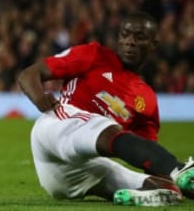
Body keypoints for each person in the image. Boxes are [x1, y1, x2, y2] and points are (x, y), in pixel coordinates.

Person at [17, 10, 194, 206]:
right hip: (56, 130)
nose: (130, 41)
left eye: (139, 37)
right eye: (125, 34)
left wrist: (175, 181)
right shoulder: (94, 55)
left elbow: (146, 154)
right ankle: (179, 168)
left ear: (154, 44)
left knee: (167, 186)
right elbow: (29, 74)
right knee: (105, 126)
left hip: (82, 172)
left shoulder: (147, 99)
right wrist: (40, 99)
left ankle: (155, 195)